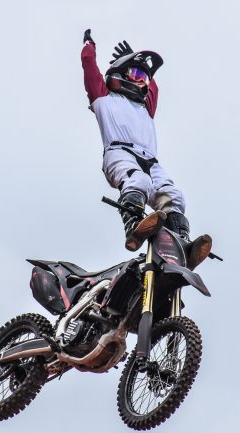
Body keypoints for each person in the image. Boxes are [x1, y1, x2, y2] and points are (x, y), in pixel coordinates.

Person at [81, 29, 211, 268]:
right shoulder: (103, 98)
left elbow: (154, 89)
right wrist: (89, 45)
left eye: (145, 78)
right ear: (119, 74)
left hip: (151, 160)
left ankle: (180, 241)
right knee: (137, 181)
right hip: (120, 152)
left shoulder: (145, 107)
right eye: (137, 74)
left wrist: (140, 63)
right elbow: (89, 66)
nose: (142, 81)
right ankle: (133, 224)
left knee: (173, 196)